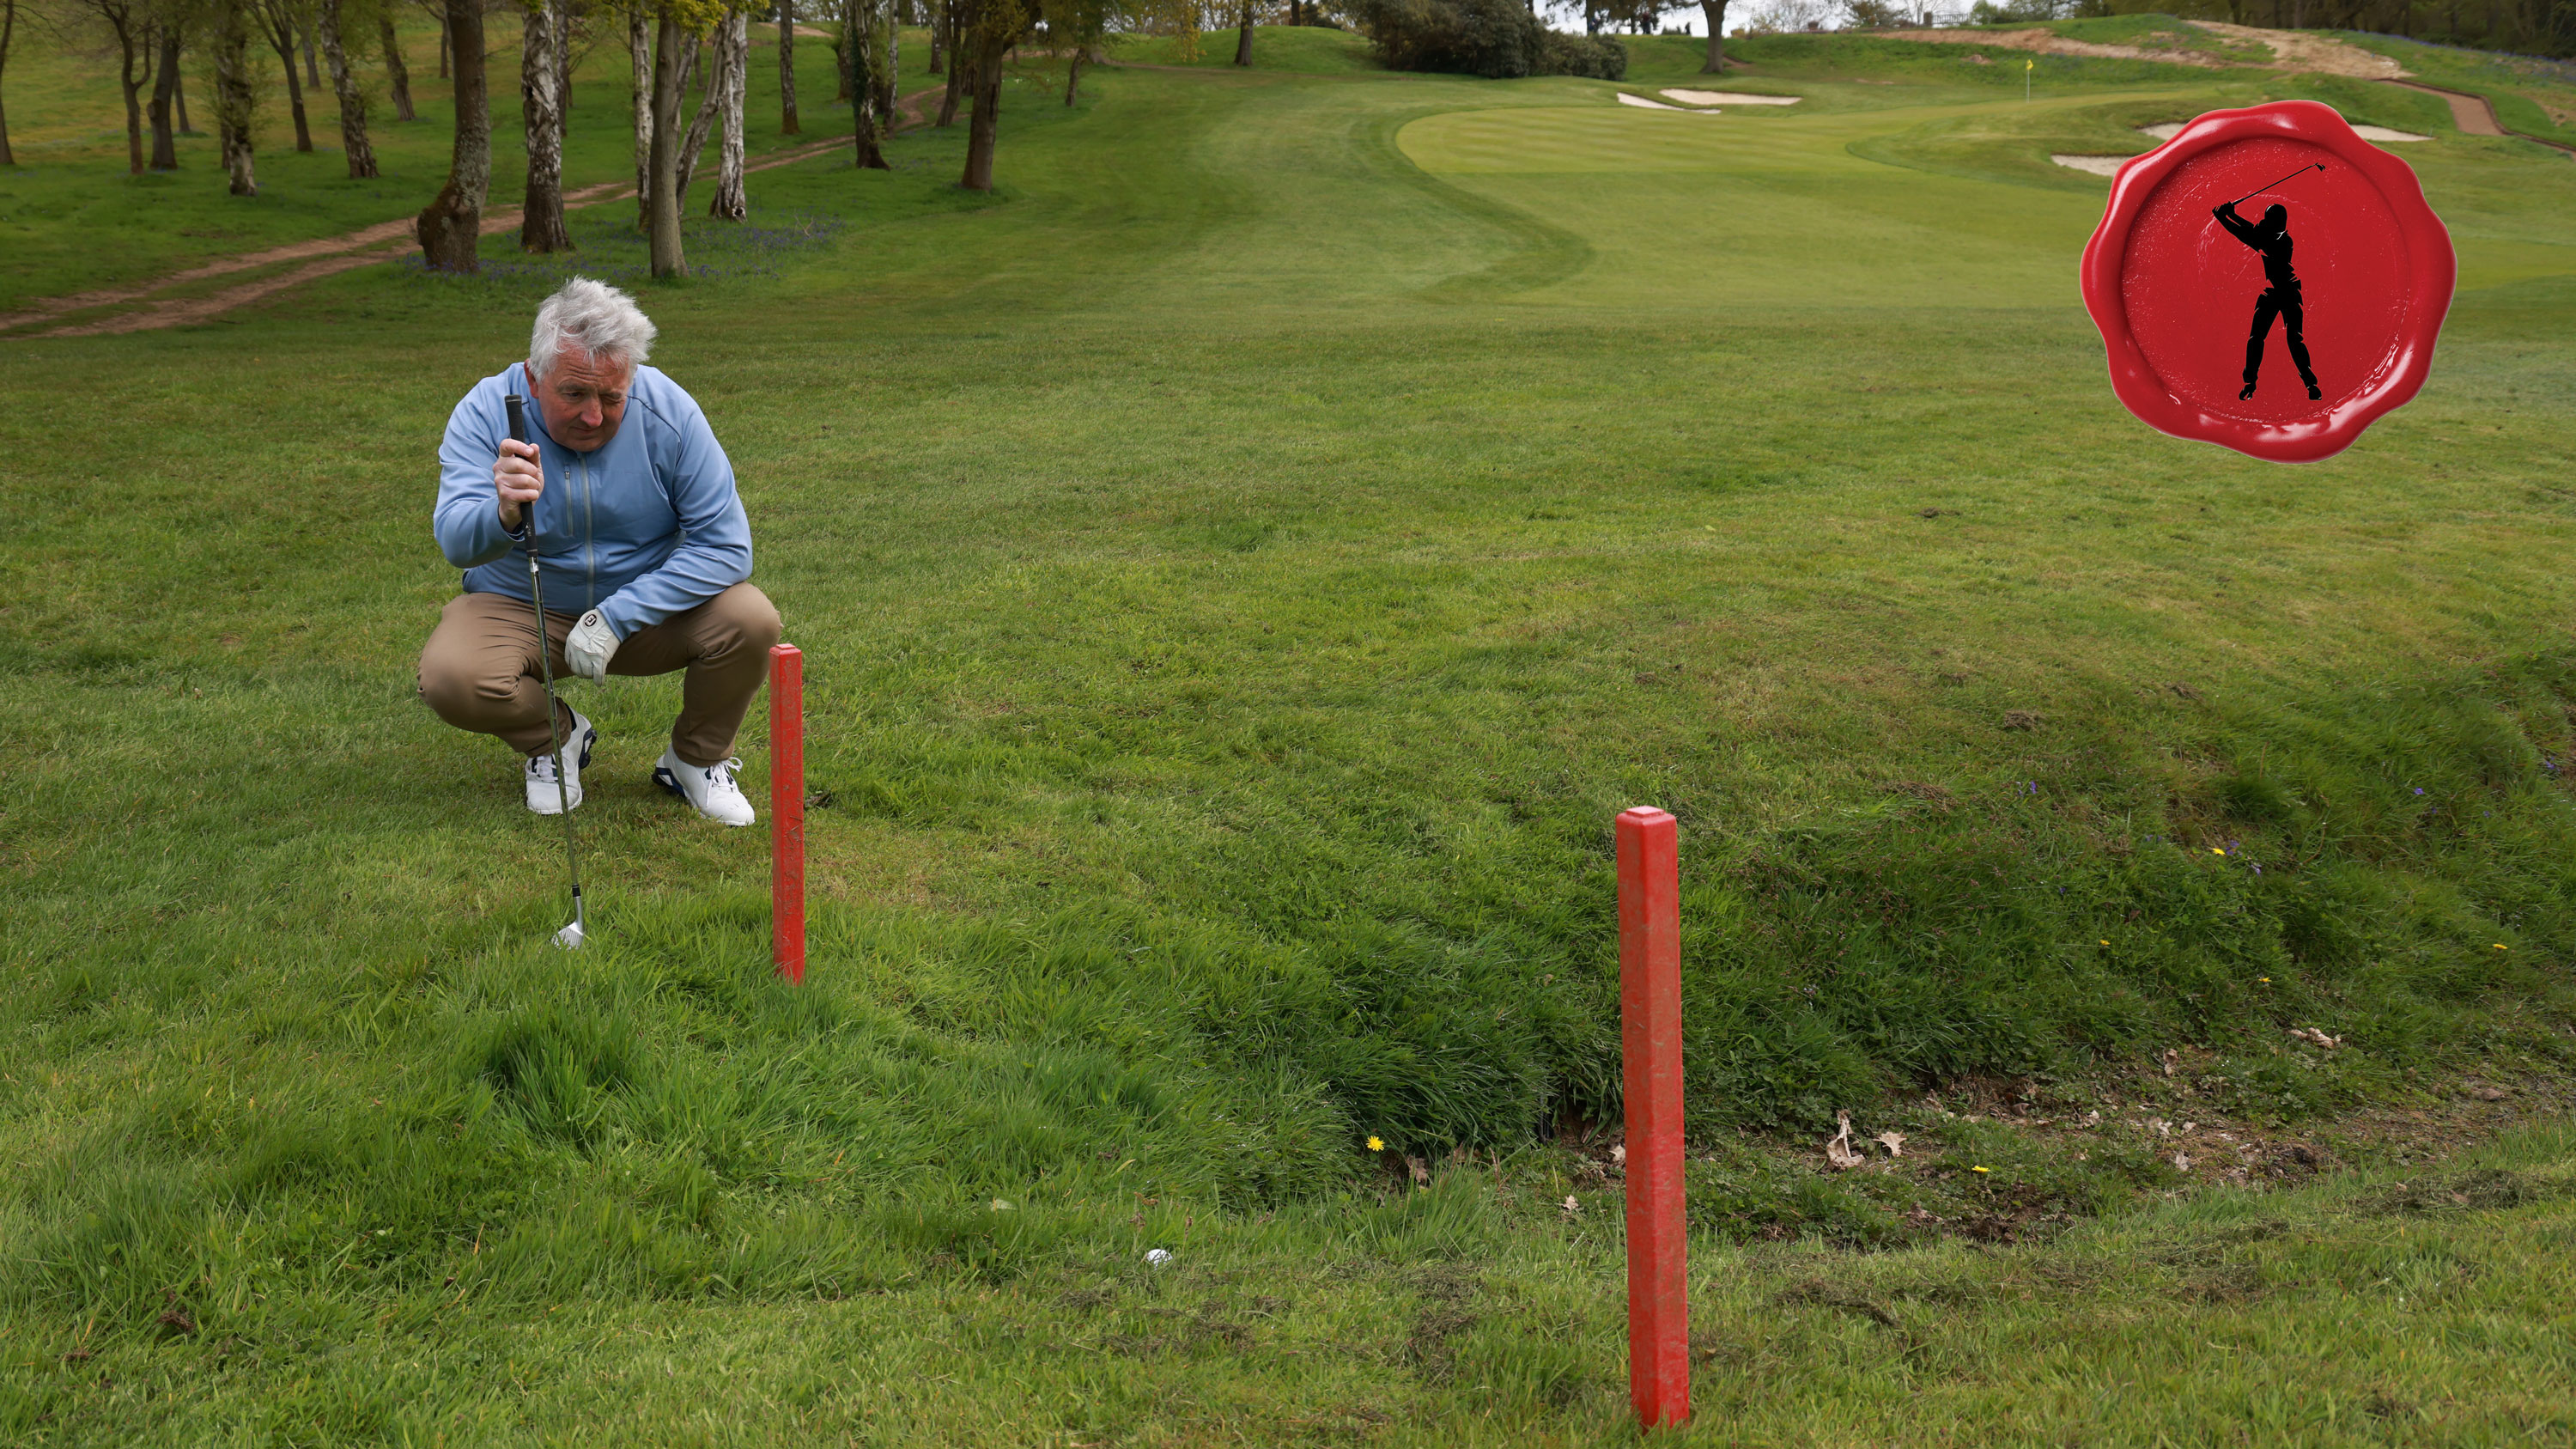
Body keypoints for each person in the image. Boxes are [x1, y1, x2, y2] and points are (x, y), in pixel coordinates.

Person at [417, 277, 779, 825]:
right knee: (451, 677)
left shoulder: (669, 410)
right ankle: (555, 739)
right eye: (574, 394)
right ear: (534, 377)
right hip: (523, 608)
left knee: (751, 619)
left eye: (613, 397)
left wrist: (618, 615)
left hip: (643, 616)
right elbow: (455, 541)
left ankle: (694, 760)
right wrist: (502, 513)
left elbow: (727, 547)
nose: (594, 416)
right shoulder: (487, 410)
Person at [2212, 200, 2322, 403]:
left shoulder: (2281, 241)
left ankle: (2310, 384)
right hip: (2275, 291)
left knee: (2293, 339)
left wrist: (2222, 218)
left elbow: (2247, 235)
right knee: (2258, 338)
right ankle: (2250, 383)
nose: (2262, 222)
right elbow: (2253, 230)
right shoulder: (2274, 235)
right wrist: (2232, 215)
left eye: (2267, 219)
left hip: (2287, 291)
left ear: (2274, 223)